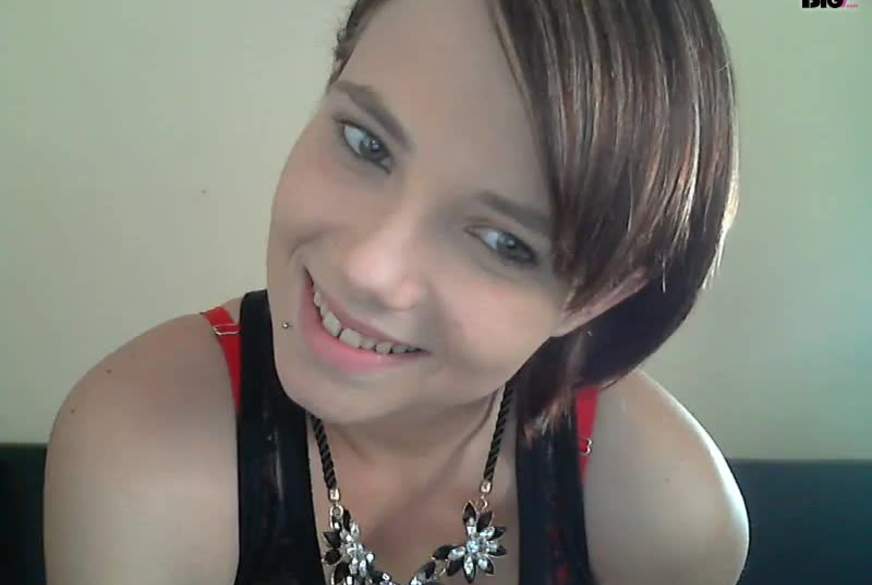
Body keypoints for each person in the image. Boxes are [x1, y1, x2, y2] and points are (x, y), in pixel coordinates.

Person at [43, 0, 750, 584]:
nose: (368, 268)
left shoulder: (668, 515)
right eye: (365, 142)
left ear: (591, 299)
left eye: (502, 240)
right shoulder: (144, 456)